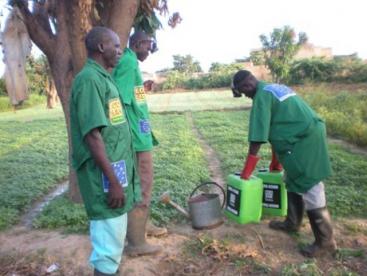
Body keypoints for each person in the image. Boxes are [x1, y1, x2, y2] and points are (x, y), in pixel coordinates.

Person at [231, 70, 337, 258]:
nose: (246, 96)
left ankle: (325, 242)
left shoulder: (261, 97)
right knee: (292, 178)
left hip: (304, 140)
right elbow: (277, 129)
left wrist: (246, 172)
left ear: (247, 86)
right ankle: (292, 222)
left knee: (310, 184)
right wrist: (276, 163)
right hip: (299, 137)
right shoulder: (271, 88)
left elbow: (257, 139)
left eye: (243, 92)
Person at [69, 26, 141, 276]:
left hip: (114, 174)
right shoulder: (89, 80)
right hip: (105, 179)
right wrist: (114, 182)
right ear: (101, 47)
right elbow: (92, 136)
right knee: (107, 248)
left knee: (113, 240)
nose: (121, 51)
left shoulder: (103, 77)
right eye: (117, 46)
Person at [112, 30, 165, 257]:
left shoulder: (130, 61)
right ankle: (136, 242)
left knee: (144, 183)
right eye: (148, 46)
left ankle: (141, 227)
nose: (149, 51)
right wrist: (125, 137)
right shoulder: (127, 61)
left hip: (139, 134)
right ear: (139, 43)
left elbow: (129, 95)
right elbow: (117, 99)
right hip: (134, 137)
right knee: (142, 183)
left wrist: (141, 88)